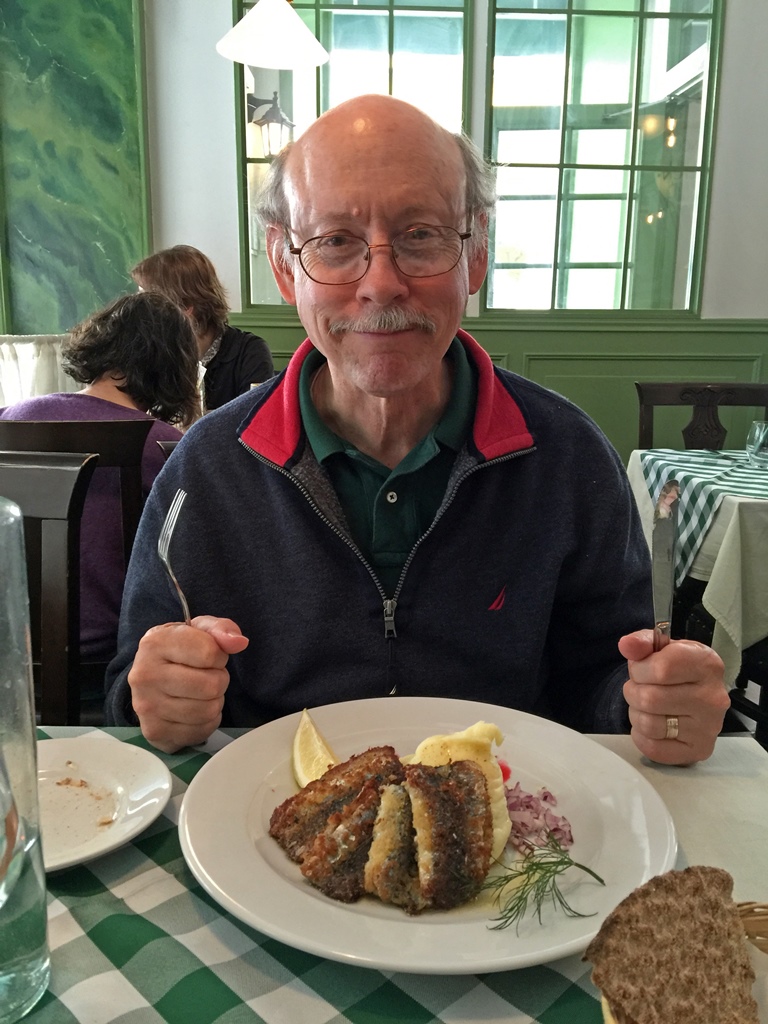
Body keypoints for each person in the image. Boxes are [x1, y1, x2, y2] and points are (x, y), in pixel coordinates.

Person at [105, 95, 729, 764]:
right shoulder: (207, 471)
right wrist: (163, 700)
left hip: (512, 830)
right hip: (267, 829)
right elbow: (132, 690)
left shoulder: (569, 458)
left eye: (421, 235)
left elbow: (606, 676)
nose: (381, 283)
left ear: (477, 252)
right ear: (285, 264)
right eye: (336, 242)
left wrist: (654, 702)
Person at [1, 291, 200, 662]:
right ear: (174, 366)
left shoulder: (9, 417)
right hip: (113, 657)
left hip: (9, 652)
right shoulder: (165, 445)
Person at [130, 245, 274, 411]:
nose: (138, 309)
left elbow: (253, 423)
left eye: (146, 300)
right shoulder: (147, 352)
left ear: (184, 306)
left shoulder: (249, 352)